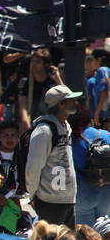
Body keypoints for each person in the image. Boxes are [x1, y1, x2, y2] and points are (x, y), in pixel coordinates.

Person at [23, 85, 81, 227]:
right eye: (71, 100)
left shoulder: (65, 126)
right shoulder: (44, 131)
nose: (76, 103)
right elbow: (33, 167)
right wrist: (32, 195)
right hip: (50, 202)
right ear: (61, 104)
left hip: (68, 200)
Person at [2, 48, 61, 130]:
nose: (33, 64)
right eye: (32, 61)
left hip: (50, 123)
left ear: (46, 65)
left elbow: (66, 99)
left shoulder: (52, 82)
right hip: (31, 124)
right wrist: (26, 123)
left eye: (38, 62)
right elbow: (22, 104)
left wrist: (58, 79)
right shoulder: (25, 82)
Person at [73, 107, 110, 226]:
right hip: (106, 189)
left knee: (86, 237)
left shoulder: (74, 138)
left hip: (83, 191)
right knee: (106, 234)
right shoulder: (106, 135)